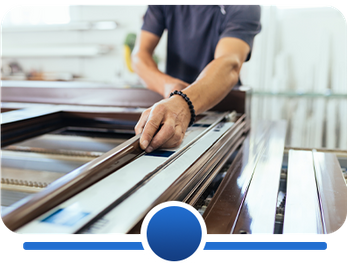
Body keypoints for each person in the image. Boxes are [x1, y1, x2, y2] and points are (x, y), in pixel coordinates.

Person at [132, 3, 261, 153]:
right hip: (172, 107)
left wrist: (183, 103)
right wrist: (167, 85)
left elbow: (230, 63)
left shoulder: (244, 6)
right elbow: (139, 56)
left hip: (222, 110)